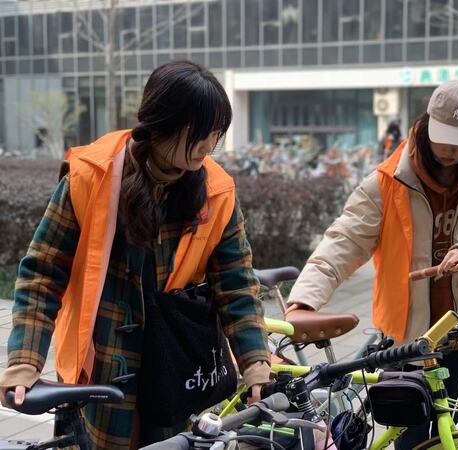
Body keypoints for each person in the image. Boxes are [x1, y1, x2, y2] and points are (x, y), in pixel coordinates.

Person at [0, 61, 270, 449]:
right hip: (101, 371)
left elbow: (237, 284)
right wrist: (25, 362)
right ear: (162, 123)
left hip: (176, 368)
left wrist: (256, 363)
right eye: (199, 132)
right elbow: (42, 273)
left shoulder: (216, 191)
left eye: (216, 134)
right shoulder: (92, 176)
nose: (209, 146)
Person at [286, 80, 458, 449]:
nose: (450, 149)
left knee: (454, 436)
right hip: (406, 340)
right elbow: (344, 240)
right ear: (426, 125)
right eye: (443, 138)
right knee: (410, 439)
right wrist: (304, 299)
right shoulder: (389, 180)